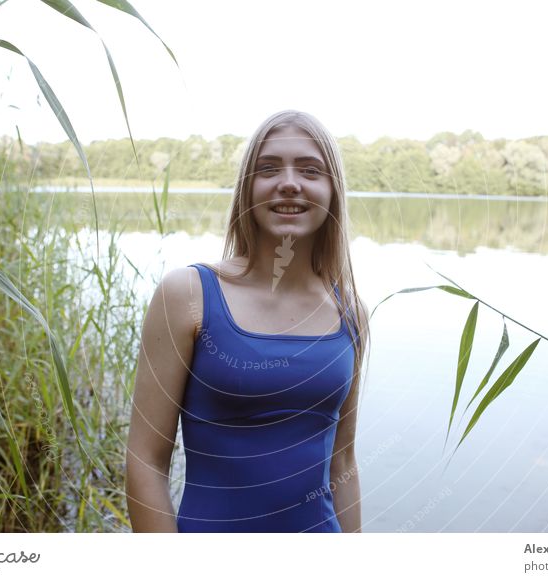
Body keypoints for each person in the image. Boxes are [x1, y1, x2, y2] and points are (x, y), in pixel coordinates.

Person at [125, 110, 370, 532]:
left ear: (332, 191)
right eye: (269, 168)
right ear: (247, 189)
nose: (290, 182)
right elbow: (145, 461)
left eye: (311, 170)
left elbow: (343, 463)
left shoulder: (350, 311)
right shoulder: (188, 295)